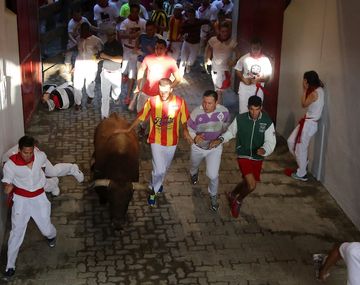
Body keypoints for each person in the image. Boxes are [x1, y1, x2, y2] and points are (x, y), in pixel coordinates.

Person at [119, 78, 193, 206]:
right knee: (159, 170)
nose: (163, 94)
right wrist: (129, 129)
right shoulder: (152, 101)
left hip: (172, 141)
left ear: (171, 89)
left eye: (166, 91)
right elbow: (141, 116)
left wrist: (185, 131)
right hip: (156, 140)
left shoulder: (180, 102)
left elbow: (184, 119)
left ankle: (155, 184)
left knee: (164, 168)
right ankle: (153, 191)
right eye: (161, 91)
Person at [209, 96, 276, 218]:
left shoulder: (267, 122)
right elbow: (231, 132)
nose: (254, 112)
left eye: (257, 109)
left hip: (257, 156)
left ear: (261, 108)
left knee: (246, 181)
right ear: (248, 108)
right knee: (251, 185)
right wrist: (220, 139)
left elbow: (271, 141)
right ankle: (238, 201)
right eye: (251, 109)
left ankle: (232, 194)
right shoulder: (240, 119)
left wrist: (265, 149)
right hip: (243, 154)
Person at [2, 136, 57, 279]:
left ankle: (52, 236)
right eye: (25, 152)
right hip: (21, 201)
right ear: (19, 150)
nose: (28, 156)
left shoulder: (40, 156)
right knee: (16, 232)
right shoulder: (10, 165)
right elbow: (6, 184)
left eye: (30, 152)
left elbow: (43, 165)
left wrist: (42, 177)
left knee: (46, 229)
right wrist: (8, 187)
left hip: (39, 199)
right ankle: (10, 266)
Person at [187, 90, 230, 211]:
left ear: (216, 102)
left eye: (210, 103)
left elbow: (227, 129)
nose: (206, 106)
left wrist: (220, 140)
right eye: (204, 102)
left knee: (213, 175)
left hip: (214, 149)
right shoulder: (196, 113)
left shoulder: (224, 112)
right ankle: (193, 173)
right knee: (194, 165)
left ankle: (213, 197)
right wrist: (195, 136)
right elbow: (189, 128)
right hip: (198, 147)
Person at [2, 143, 84, 196]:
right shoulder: (8, 167)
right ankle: (54, 184)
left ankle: (73, 168)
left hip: (36, 158)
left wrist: (41, 175)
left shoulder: (32, 157)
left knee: (52, 172)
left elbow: (41, 168)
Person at [287, 71, 324, 181]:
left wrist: (304, 90)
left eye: (304, 80)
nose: (302, 81)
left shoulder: (314, 93)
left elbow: (303, 104)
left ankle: (302, 173)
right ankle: (302, 163)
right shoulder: (319, 90)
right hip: (307, 122)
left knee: (300, 148)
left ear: (307, 81)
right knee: (291, 141)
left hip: (309, 124)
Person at [135, 38, 181, 113]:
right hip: (146, 91)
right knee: (141, 112)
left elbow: (178, 79)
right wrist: (139, 84)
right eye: (156, 48)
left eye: (161, 48)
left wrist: (168, 89)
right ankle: (142, 124)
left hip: (160, 95)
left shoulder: (171, 62)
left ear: (165, 49)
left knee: (156, 115)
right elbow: (141, 70)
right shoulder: (148, 58)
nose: (158, 50)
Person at [117, 3, 146, 105]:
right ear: (130, 12)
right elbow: (121, 35)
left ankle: (128, 96)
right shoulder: (125, 22)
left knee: (132, 74)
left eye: (136, 12)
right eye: (132, 12)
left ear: (138, 12)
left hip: (136, 51)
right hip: (126, 50)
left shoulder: (143, 22)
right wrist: (133, 35)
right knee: (125, 70)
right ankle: (125, 78)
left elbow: (147, 34)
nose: (134, 14)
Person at [234, 38, 272, 114]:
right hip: (245, 88)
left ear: (261, 48)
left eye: (257, 48)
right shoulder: (244, 58)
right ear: (250, 48)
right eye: (253, 48)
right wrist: (243, 78)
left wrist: (259, 79)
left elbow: (268, 76)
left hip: (258, 88)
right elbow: (237, 69)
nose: (255, 51)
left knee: (256, 112)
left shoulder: (265, 60)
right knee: (243, 111)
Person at [73, 22, 103, 110]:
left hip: (91, 66)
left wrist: (98, 58)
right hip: (79, 65)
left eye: (84, 32)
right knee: (77, 84)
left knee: (89, 84)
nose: (82, 34)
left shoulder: (96, 40)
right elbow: (77, 48)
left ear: (88, 31)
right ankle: (77, 103)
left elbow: (102, 51)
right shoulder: (79, 38)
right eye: (81, 31)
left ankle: (90, 97)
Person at [205, 21, 237, 102]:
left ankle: (219, 108)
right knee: (218, 90)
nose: (224, 33)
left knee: (219, 91)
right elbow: (209, 48)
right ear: (219, 31)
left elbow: (239, 53)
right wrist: (207, 59)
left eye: (226, 31)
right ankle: (219, 107)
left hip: (226, 70)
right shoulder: (213, 40)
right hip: (215, 68)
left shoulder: (232, 42)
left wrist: (234, 61)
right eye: (223, 31)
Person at [98, 28, 123, 119]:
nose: (109, 36)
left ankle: (114, 96)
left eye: (111, 35)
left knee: (117, 92)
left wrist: (106, 56)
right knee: (104, 97)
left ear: (114, 35)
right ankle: (104, 116)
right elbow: (102, 57)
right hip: (105, 72)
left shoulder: (118, 45)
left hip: (116, 73)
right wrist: (100, 58)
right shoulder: (105, 45)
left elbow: (120, 59)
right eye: (108, 35)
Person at [179, 7, 210, 76]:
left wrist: (211, 30)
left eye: (192, 15)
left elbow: (208, 21)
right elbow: (181, 33)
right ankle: (180, 74)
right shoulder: (185, 23)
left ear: (194, 15)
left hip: (195, 44)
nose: (190, 17)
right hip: (186, 43)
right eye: (189, 16)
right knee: (182, 59)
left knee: (191, 61)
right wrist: (182, 36)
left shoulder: (198, 21)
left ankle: (188, 65)